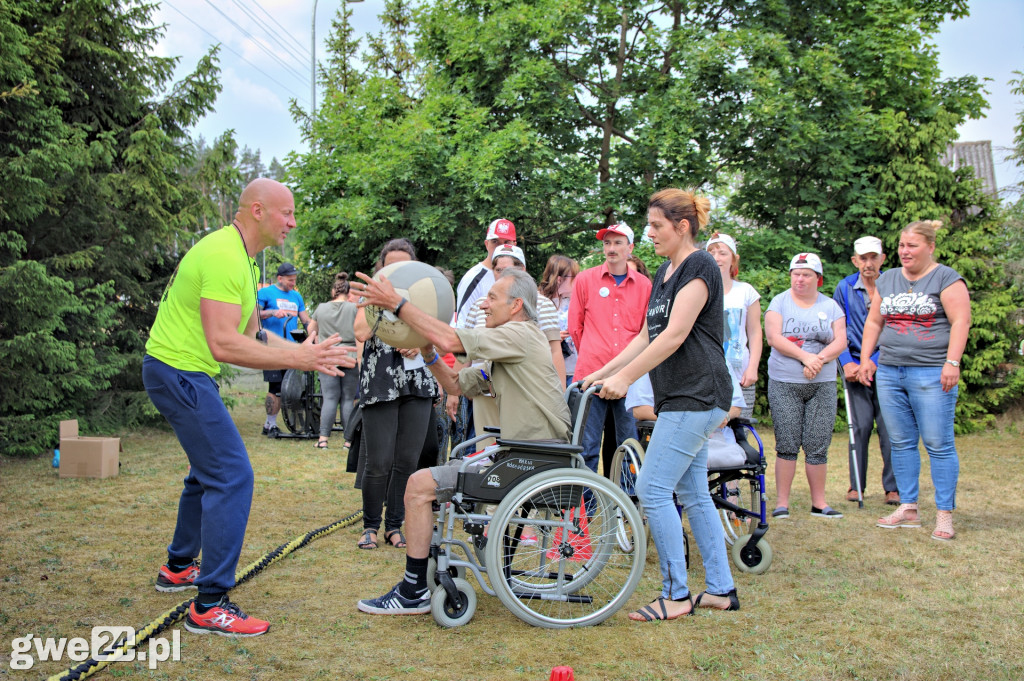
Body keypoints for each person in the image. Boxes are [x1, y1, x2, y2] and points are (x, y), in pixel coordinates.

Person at [143, 178, 356, 636]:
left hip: (182, 370)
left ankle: (179, 567)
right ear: (258, 210)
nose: (293, 222)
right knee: (232, 475)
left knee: (206, 472)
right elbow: (223, 343)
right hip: (178, 370)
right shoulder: (223, 255)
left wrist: (308, 350)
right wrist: (299, 357)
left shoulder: (241, 257)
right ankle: (210, 603)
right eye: (288, 213)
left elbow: (254, 334)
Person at [352, 268, 571, 615]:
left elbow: (453, 340)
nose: (484, 304)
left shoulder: (520, 334)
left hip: (533, 458)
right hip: (523, 456)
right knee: (425, 482)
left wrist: (398, 303)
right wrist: (427, 351)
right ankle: (419, 581)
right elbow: (456, 384)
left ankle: (413, 590)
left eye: (492, 298)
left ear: (516, 306)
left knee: (418, 484)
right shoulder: (510, 345)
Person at [583, 188, 738, 621]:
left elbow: (675, 335)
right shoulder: (666, 273)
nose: (649, 233)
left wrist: (624, 380)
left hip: (699, 392)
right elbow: (646, 334)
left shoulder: (699, 265)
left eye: (656, 225)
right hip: (680, 396)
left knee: (652, 490)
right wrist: (602, 372)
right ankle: (721, 591)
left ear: (682, 226)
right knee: (692, 492)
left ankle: (675, 594)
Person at [857, 220, 970, 541]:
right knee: (901, 442)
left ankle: (944, 515)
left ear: (930, 247)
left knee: (938, 444)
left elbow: (961, 320)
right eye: (902, 246)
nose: (905, 251)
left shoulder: (946, 278)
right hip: (892, 372)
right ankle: (908, 507)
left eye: (912, 246)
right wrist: (866, 358)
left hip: (932, 372)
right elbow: (875, 322)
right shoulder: (889, 277)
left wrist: (952, 362)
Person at [352, 239, 438, 550]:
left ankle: (394, 525)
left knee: (406, 460)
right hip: (380, 380)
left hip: (418, 381)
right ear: (381, 268)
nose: (397, 272)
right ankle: (370, 526)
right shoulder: (368, 296)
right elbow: (360, 332)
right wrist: (387, 303)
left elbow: (438, 331)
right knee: (379, 460)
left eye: (404, 265)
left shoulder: (425, 294)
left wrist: (420, 343)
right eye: (390, 266)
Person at [764, 253, 848, 520]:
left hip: (821, 383)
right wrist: (805, 357)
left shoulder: (831, 306)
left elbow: (840, 341)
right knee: (787, 442)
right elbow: (774, 337)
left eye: (806, 275)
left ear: (817, 279)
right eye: (795, 274)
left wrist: (819, 359)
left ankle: (819, 503)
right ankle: (782, 504)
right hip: (785, 381)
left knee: (817, 443)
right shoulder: (779, 302)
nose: (800, 279)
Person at [569, 223, 652, 475]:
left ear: (631, 247)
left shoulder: (644, 285)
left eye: (618, 242)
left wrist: (623, 368)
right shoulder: (585, 278)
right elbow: (575, 327)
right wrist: (597, 358)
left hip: (630, 378)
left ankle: (625, 507)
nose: (611, 248)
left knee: (628, 446)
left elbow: (644, 333)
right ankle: (586, 508)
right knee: (586, 446)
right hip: (590, 375)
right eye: (607, 243)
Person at [464, 245, 566, 444]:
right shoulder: (480, 304)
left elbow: (555, 350)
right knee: (485, 448)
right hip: (483, 386)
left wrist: (560, 394)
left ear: (523, 270)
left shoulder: (542, 304)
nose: (502, 274)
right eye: (498, 269)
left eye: (509, 269)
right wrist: (454, 391)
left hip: (521, 393)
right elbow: (465, 351)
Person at [833, 236, 898, 505]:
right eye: (863, 258)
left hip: (889, 365)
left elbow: (897, 328)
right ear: (855, 261)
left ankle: (893, 488)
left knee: (890, 428)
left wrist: (876, 360)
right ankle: (856, 485)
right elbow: (838, 329)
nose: (868, 263)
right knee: (858, 427)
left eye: (873, 257)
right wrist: (848, 362)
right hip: (855, 368)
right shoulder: (844, 287)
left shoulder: (894, 286)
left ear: (882, 259)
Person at [448, 218, 519, 443]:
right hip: (480, 380)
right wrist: (455, 387)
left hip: (512, 382)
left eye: (506, 242)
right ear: (486, 243)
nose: (499, 246)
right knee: (477, 445)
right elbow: (462, 335)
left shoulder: (520, 280)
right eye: (495, 241)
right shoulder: (474, 278)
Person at [706, 233, 762, 420]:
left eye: (722, 253)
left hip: (740, 374)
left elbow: (754, 333)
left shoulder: (746, 292)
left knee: (740, 430)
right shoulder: (700, 291)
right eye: (711, 253)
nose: (717, 258)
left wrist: (752, 367)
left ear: (734, 259)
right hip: (708, 374)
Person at [257, 262, 311, 437]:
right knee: (275, 386)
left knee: (292, 387)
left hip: (292, 348)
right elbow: (254, 315)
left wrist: (313, 332)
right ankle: (271, 424)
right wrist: (272, 312)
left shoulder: (296, 297)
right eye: (289, 280)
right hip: (272, 347)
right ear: (280, 278)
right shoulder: (265, 293)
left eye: (294, 280)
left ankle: (268, 425)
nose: (292, 283)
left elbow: (306, 320)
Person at [307, 273, 360, 449]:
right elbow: (361, 332)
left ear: (333, 291)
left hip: (328, 356)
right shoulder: (354, 309)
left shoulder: (321, 308)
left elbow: (311, 329)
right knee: (347, 399)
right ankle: (348, 441)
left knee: (329, 399)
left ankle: (323, 440)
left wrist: (318, 344)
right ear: (348, 292)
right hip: (349, 355)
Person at [538, 255, 581, 385]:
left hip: (575, 371)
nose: (577, 280)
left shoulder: (577, 299)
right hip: (548, 372)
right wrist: (552, 338)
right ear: (559, 279)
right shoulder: (538, 302)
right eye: (573, 277)